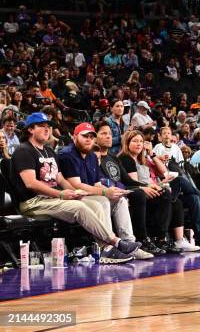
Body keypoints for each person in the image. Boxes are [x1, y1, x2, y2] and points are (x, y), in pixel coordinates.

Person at [12, 112, 140, 264]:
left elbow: (60, 178)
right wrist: (61, 195)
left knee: (96, 204)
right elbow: (31, 183)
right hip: (33, 202)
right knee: (79, 207)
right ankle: (116, 243)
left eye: (48, 127)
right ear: (30, 130)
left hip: (51, 198)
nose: (47, 130)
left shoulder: (49, 150)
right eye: (42, 126)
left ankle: (105, 250)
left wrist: (73, 192)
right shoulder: (23, 150)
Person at [57, 122, 154, 260]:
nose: (89, 139)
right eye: (85, 136)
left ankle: (129, 245)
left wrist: (111, 191)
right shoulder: (67, 154)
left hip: (89, 195)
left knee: (119, 199)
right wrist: (104, 193)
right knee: (103, 201)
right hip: (74, 196)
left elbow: (97, 184)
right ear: (74, 137)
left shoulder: (91, 156)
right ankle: (108, 248)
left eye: (91, 136)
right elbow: (76, 185)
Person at [94, 120, 165, 256]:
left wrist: (145, 186)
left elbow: (126, 180)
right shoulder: (93, 157)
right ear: (95, 136)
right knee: (137, 194)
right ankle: (139, 240)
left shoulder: (113, 158)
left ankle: (156, 239)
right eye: (104, 133)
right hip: (105, 193)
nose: (109, 136)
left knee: (161, 193)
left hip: (120, 190)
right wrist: (141, 189)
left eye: (110, 133)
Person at [118, 130, 196, 253]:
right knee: (170, 192)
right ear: (127, 144)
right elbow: (132, 183)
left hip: (148, 189)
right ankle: (158, 238)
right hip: (136, 193)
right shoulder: (126, 159)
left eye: (141, 141)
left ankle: (175, 239)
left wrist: (152, 155)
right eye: (134, 141)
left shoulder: (142, 159)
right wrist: (155, 185)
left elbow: (164, 172)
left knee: (176, 202)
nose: (139, 144)